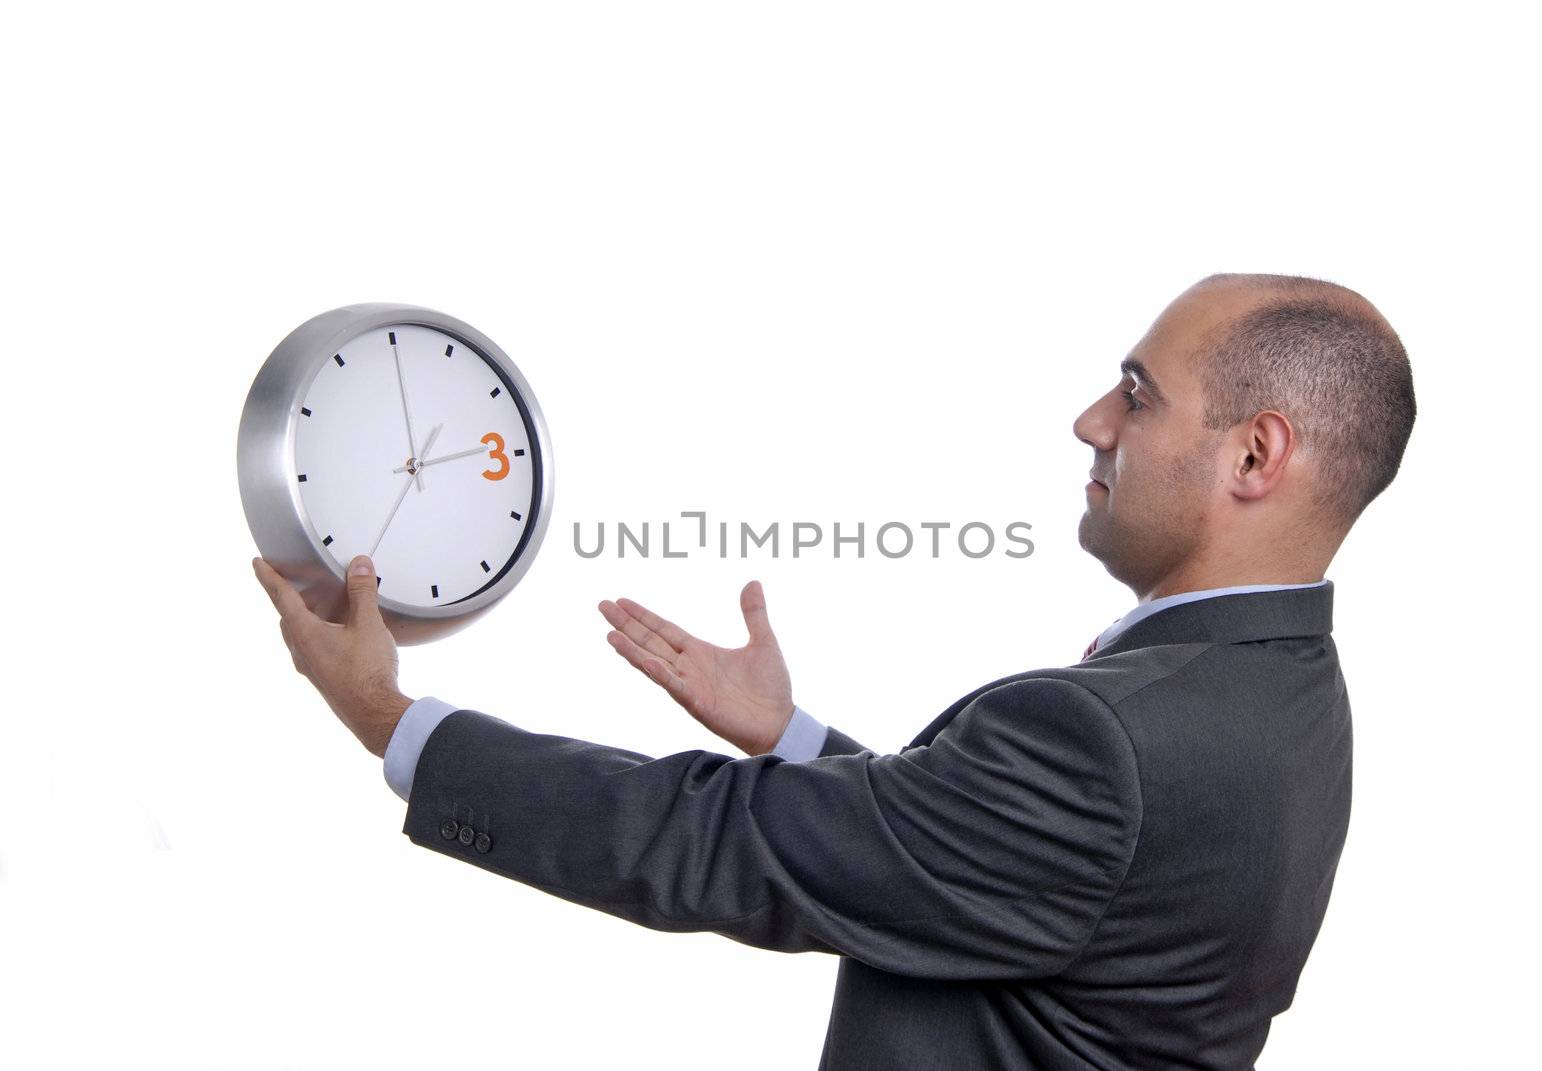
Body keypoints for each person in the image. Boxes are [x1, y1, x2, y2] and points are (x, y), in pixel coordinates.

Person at [253, 272, 1415, 1069]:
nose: (1089, 420)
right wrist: (796, 742)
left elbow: (709, 841)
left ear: (1255, 454)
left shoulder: (1115, 742)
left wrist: (388, 717)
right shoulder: (1286, 686)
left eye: (1136, 390)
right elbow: (1034, 882)